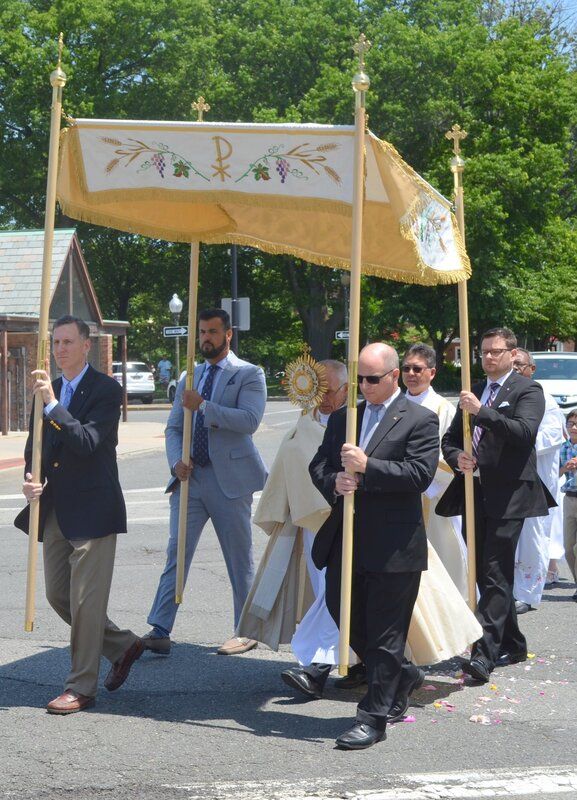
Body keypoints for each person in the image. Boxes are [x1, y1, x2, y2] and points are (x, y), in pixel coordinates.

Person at [309, 343, 439, 750]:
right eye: (359, 379)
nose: (364, 386)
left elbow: (419, 474)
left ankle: (373, 717)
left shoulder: (419, 419)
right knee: (344, 614)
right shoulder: (346, 417)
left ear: (394, 376)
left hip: (394, 545)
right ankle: (401, 673)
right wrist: (334, 481)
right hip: (346, 540)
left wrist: (367, 469)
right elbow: (319, 464)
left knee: (385, 634)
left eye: (372, 379)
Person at [15, 315, 143, 715]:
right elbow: (35, 448)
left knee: (86, 602)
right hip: (57, 508)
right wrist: (31, 479)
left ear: (87, 346)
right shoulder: (46, 390)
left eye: (68, 342)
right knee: (58, 594)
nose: (60, 349)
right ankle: (123, 645)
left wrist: (53, 405)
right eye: (56, 342)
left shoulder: (106, 390)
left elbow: (87, 441)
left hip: (94, 509)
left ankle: (80, 686)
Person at [143, 309, 267, 655]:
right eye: (201, 332)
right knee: (176, 553)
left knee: (239, 558)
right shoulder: (190, 376)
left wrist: (204, 406)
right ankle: (160, 628)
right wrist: (175, 462)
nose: (206, 338)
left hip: (229, 481)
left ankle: (246, 629)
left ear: (228, 334)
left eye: (213, 331)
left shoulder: (248, 373)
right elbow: (173, 428)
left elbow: (250, 420)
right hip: (191, 479)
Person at [438, 327, 553, 684]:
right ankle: (513, 642)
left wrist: (482, 412)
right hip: (475, 493)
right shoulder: (473, 391)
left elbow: (523, 433)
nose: (488, 357)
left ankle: (483, 655)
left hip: (510, 496)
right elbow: (450, 440)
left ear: (512, 354)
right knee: (485, 573)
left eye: (496, 351)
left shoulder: (527, 390)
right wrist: (457, 457)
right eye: (484, 351)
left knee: (494, 571)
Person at [402, 343, 468, 599]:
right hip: (397, 494)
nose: (411, 374)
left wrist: (419, 476)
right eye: (406, 368)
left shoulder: (443, 408)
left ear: (432, 372)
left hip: (433, 494)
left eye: (417, 369)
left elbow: (450, 454)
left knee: (442, 559)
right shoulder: (393, 405)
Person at [511, 349, 565, 613]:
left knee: (533, 537)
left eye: (519, 365)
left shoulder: (545, 399)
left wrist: (513, 440)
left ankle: (528, 594)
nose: (515, 369)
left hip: (536, 481)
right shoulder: (507, 395)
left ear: (531, 369)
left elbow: (553, 436)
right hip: (508, 480)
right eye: (511, 364)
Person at [560, 409, 577, 600]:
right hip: (569, 498)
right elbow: (555, 472)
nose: (574, 428)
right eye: (571, 424)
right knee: (568, 547)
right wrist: (565, 467)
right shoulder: (563, 447)